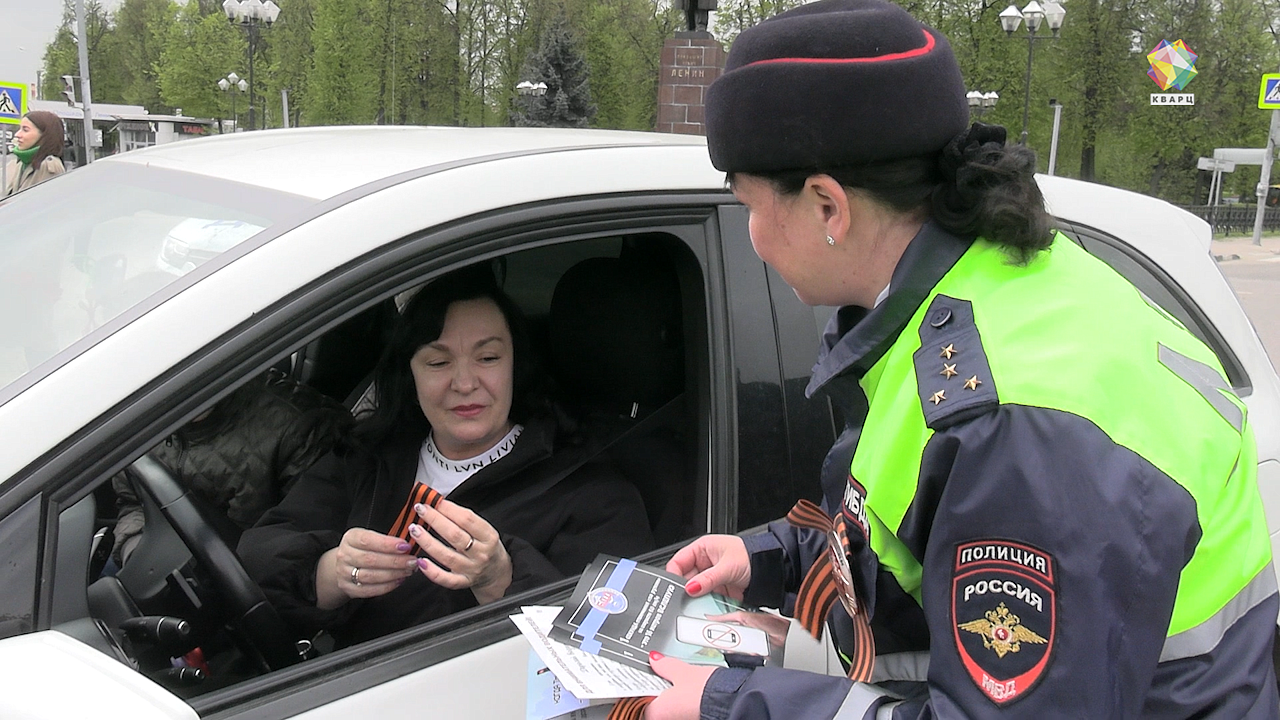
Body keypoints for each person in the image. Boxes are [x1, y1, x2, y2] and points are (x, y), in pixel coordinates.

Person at [644, 1, 1280, 718]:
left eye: (749, 206)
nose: (753, 237)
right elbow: (911, 518)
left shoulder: (1015, 429)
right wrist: (770, 560)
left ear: (827, 206)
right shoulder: (985, 291)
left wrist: (726, 703)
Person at [238, 265, 655, 647]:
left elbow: (618, 636)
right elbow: (259, 552)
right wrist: (332, 571)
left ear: (516, 365)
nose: (464, 382)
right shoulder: (370, 456)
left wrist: (501, 579)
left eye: (488, 358)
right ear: (411, 374)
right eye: (438, 362)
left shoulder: (588, 487)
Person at [111, 369, 352, 564]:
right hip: (153, 564)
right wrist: (133, 546)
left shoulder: (300, 428)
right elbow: (133, 500)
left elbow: (308, 550)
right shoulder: (142, 419)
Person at [3, 111, 66, 197]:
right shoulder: (23, 162)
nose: (17, 134)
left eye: (25, 130)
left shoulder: (49, 166)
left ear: (44, 135)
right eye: (19, 129)